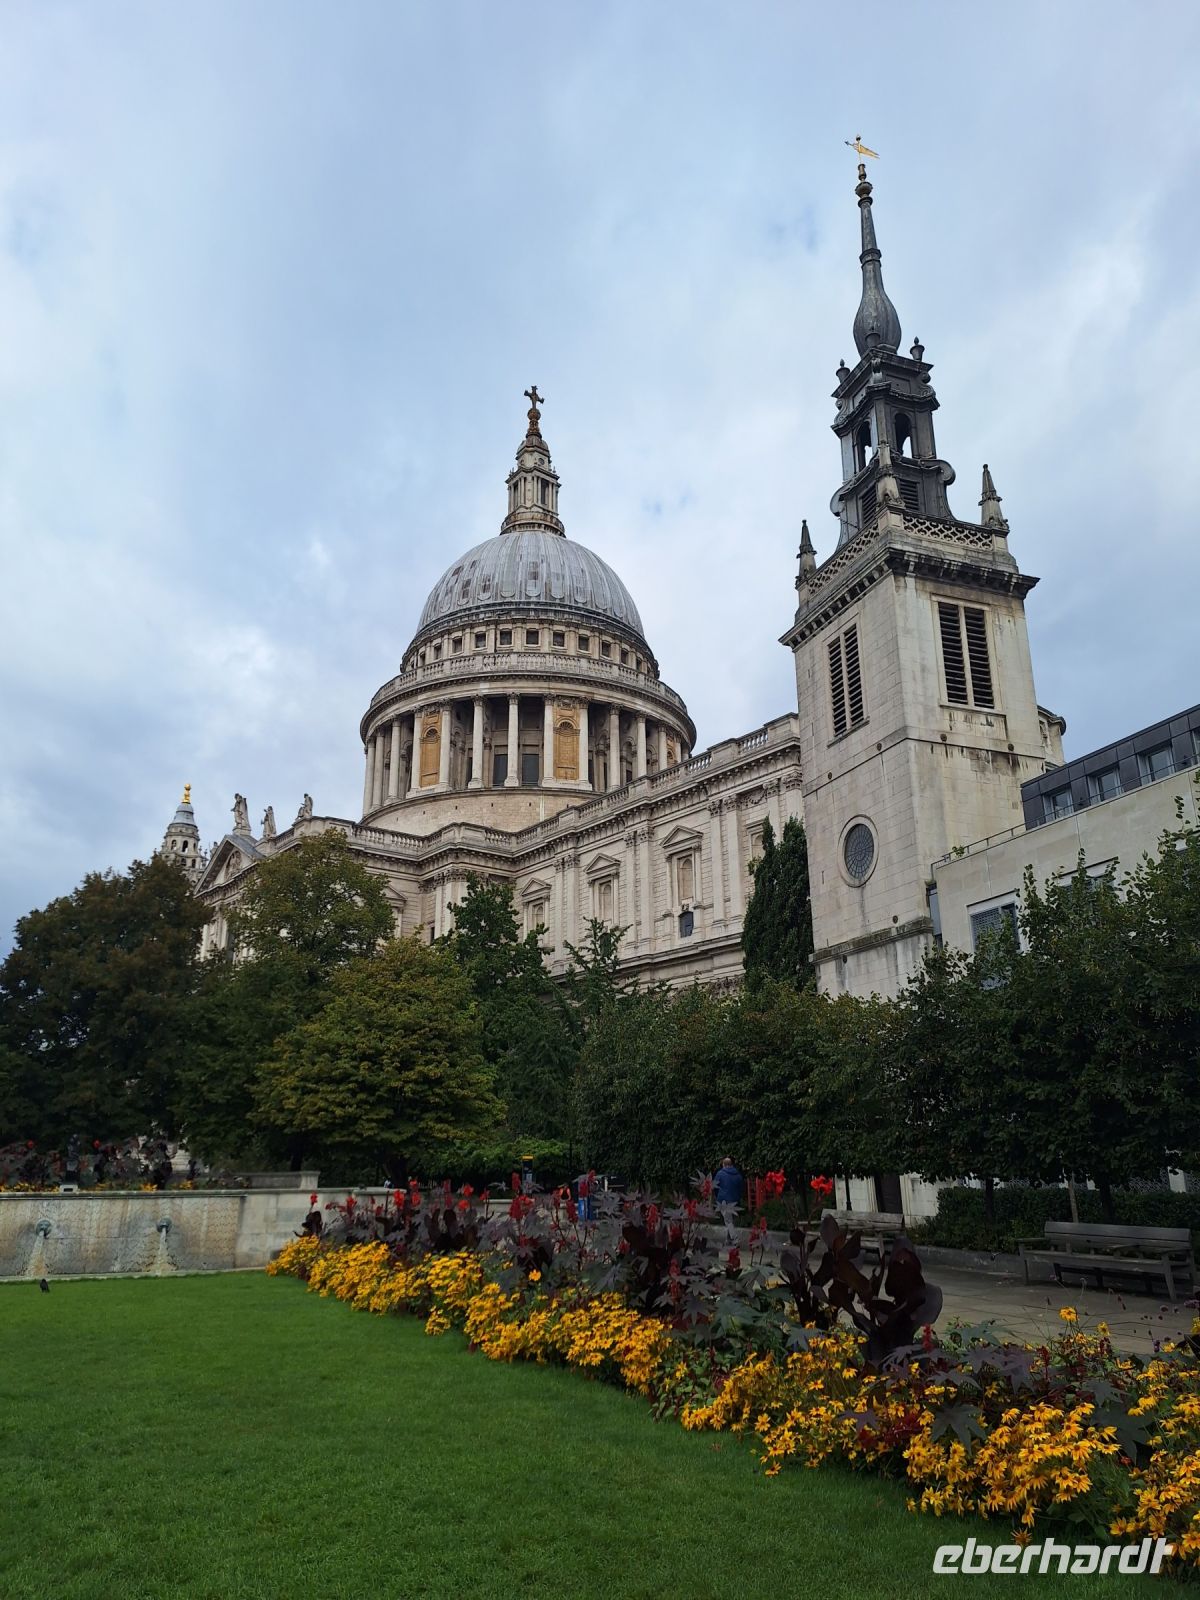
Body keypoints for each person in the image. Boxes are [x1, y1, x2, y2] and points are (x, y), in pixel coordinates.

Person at [713, 1156, 743, 1243]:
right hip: (735, 1200)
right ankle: (728, 1239)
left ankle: (735, 1239)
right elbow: (741, 1188)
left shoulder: (720, 1173)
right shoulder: (738, 1175)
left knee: (728, 1220)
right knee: (730, 1220)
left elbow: (715, 1186)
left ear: (724, 1165)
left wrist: (717, 1196)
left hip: (724, 1201)